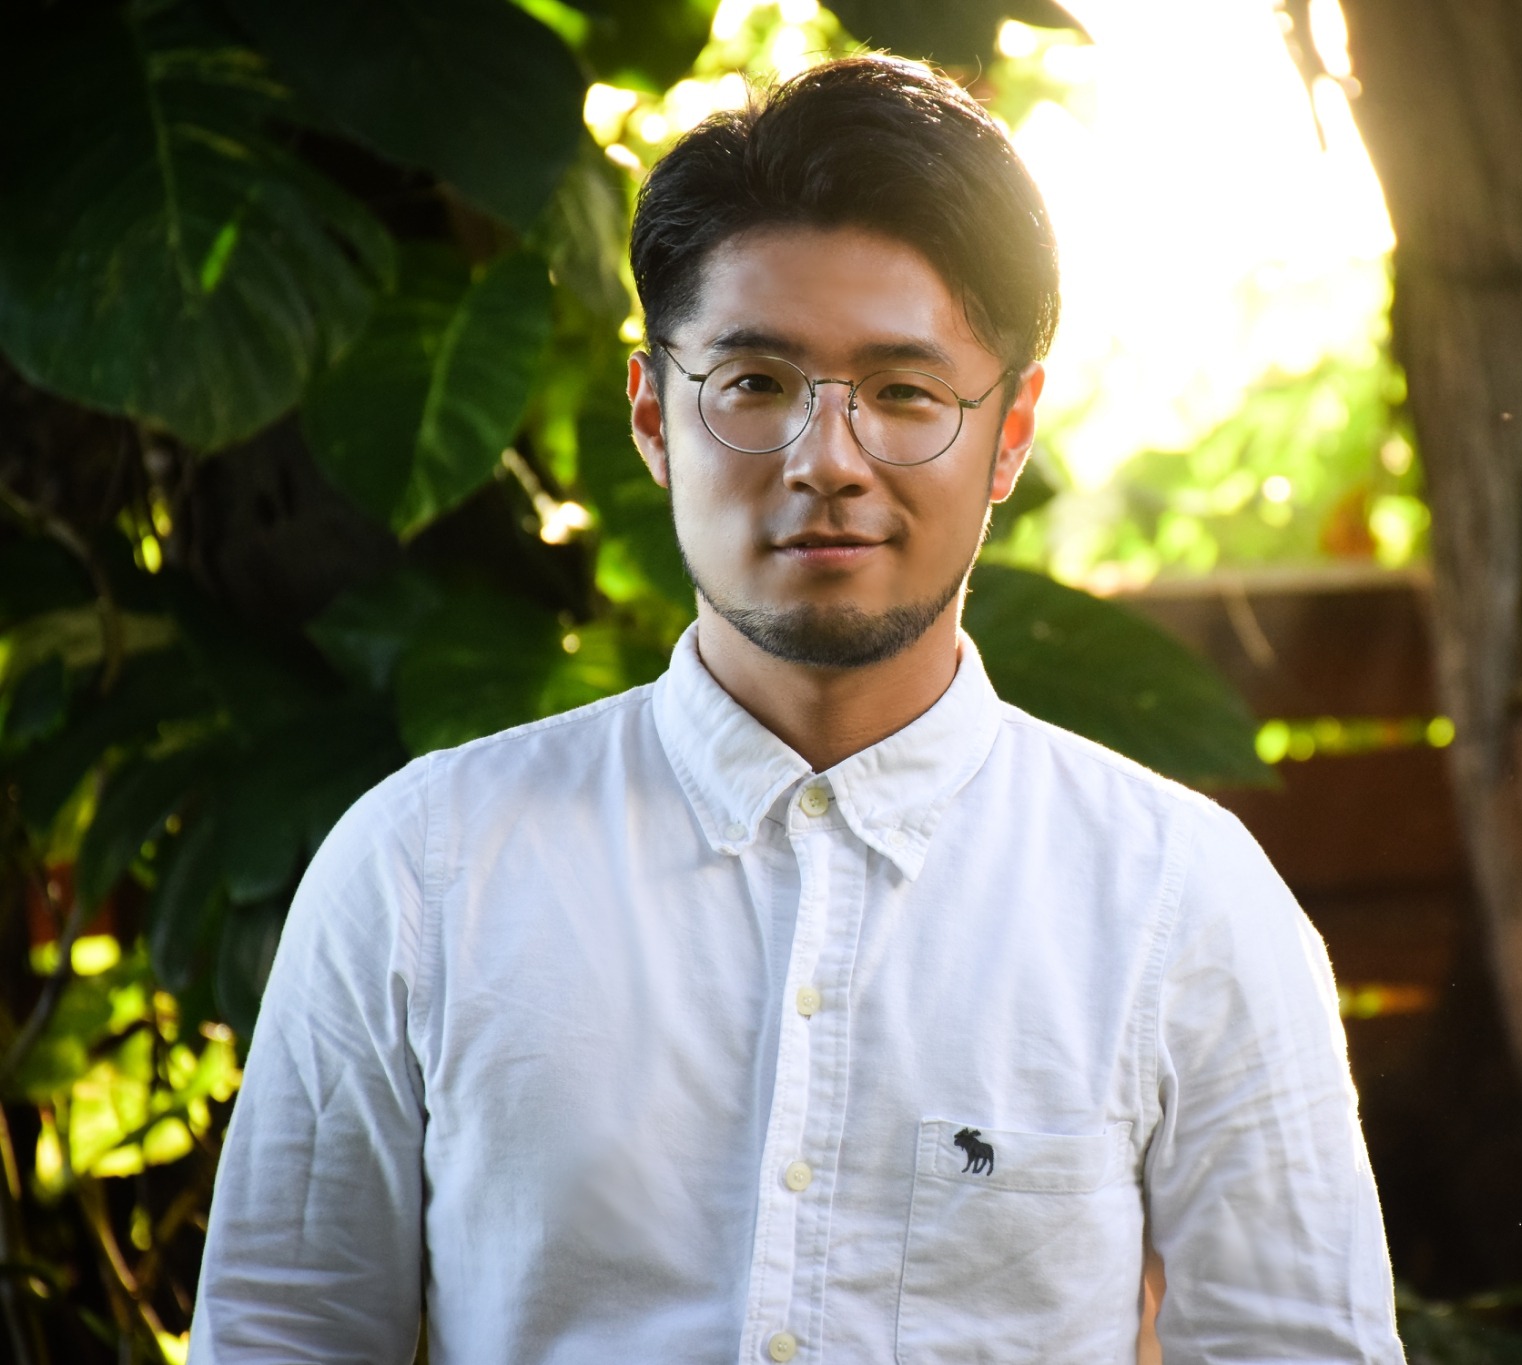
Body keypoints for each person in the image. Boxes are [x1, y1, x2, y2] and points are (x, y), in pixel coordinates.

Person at [191, 54, 1404, 1364]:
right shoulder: (423, 869)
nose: (828, 460)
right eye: (756, 383)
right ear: (653, 415)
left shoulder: (1180, 901)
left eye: (906, 393)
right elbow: (280, 1336)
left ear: (1010, 434)